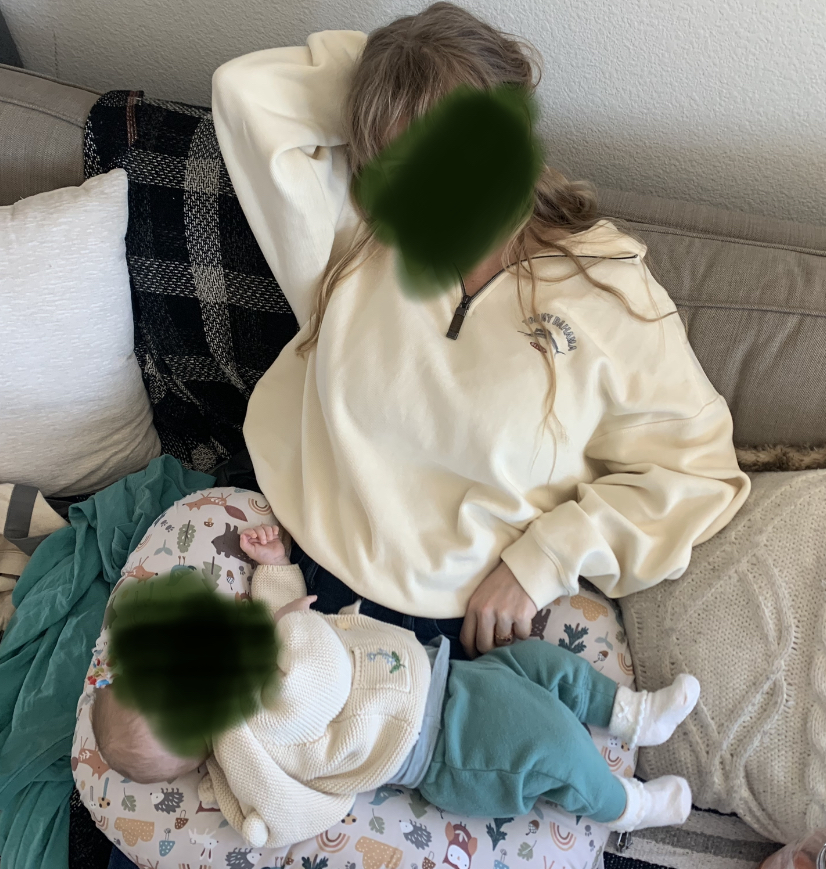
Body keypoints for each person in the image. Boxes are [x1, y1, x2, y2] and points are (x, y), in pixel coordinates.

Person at [211, 2, 751, 661]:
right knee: (136, 707)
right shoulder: (352, 231)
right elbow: (246, 95)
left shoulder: (607, 286)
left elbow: (699, 474)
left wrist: (545, 558)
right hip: (274, 537)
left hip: (454, 624)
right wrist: (393, 73)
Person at [92, 524, 701, 850]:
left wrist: (274, 569)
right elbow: (318, 681)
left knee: (540, 663)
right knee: (553, 747)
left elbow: (281, 622)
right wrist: (287, 628)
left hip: (442, 675)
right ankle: (628, 807)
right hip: (446, 746)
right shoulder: (249, 728)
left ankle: (633, 714)